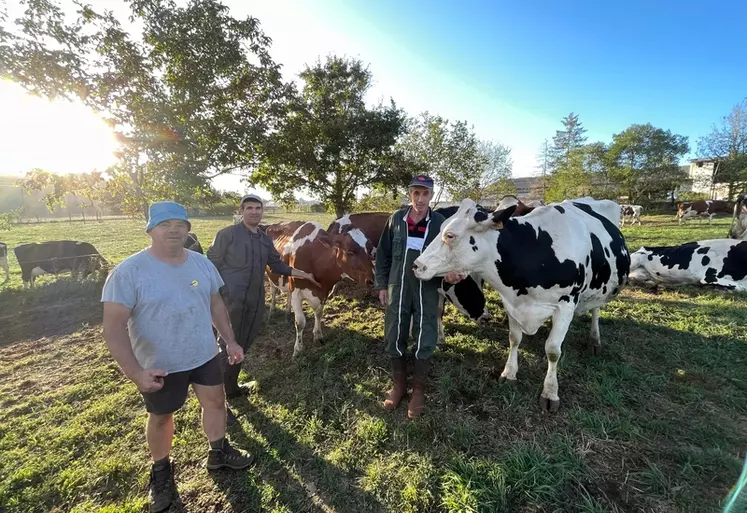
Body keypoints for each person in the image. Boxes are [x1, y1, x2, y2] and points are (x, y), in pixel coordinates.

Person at [101, 201, 253, 513]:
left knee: (215, 403)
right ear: (151, 230)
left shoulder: (201, 264)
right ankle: (161, 472)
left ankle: (218, 451)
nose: (173, 229)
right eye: (164, 224)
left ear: (187, 229)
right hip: (159, 364)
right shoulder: (129, 272)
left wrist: (230, 340)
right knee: (161, 417)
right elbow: (113, 329)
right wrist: (135, 373)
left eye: (180, 224)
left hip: (204, 353)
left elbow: (215, 306)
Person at [206, 193, 320, 400]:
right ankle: (218, 396)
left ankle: (231, 387)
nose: (254, 212)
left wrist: (303, 274)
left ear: (262, 212)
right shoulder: (227, 235)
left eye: (258, 208)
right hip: (230, 299)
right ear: (241, 211)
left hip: (255, 300)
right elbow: (211, 263)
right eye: (249, 208)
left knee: (244, 341)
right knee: (228, 343)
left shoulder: (264, 239)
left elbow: (275, 264)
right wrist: (217, 295)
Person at [375, 175, 465, 419]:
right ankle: (399, 386)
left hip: (427, 288)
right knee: (394, 333)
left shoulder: (440, 223)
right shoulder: (396, 219)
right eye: (416, 193)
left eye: (425, 194)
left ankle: (418, 391)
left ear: (432, 195)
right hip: (398, 286)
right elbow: (383, 255)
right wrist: (382, 285)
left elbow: (450, 258)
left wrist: (449, 276)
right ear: (410, 194)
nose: (420, 198)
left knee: (426, 335)